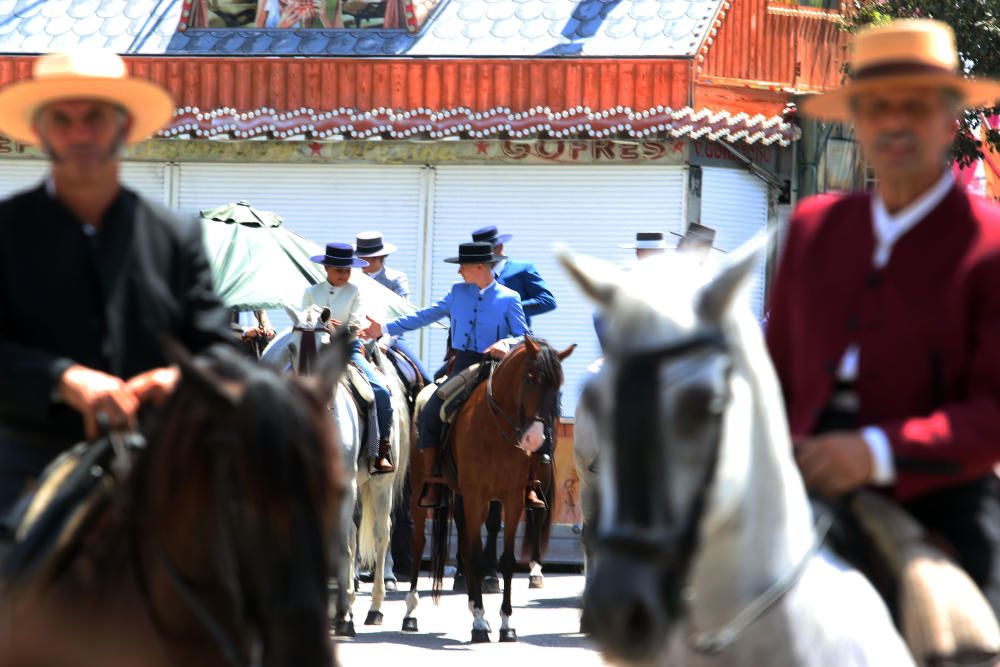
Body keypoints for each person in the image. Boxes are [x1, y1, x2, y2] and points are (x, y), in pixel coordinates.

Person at [766, 19, 1000, 616]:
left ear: (951, 119)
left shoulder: (989, 244)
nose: (894, 123)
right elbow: (775, 377)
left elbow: (992, 410)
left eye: (915, 107)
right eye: (877, 107)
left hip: (935, 495)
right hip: (797, 486)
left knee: (968, 639)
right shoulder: (814, 229)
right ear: (858, 121)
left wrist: (875, 452)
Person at [0, 51, 232, 512]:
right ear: (41, 132)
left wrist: (176, 378)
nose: (80, 132)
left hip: (161, 456)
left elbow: (219, 352)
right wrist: (63, 378)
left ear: (123, 127)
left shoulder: (175, 236)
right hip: (31, 458)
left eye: (95, 117)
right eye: (62, 120)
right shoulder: (6, 231)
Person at [361, 242, 538, 509]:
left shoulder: (509, 297)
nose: (459, 273)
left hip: (497, 365)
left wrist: (506, 344)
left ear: (480, 267)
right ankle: (433, 478)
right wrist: (383, 327)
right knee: (431, 410)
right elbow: (424, 315)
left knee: (535, 413)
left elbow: (525, 337)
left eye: (462, 267)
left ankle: (531, 482)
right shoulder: (457, 293)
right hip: (464, 363)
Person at [303, 243, 394, 474]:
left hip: (347, 350)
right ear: (326, 269)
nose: (344, 275)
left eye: (347, 271)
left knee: (380, 390)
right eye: (338, 270)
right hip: (315, 352)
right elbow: (303, 321)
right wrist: (320, 324)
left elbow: (356, 323)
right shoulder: (311, 292)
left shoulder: (356, 292)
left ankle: (381, 448)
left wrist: (339, 327)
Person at [354, 231, 432, 382]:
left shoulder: (396, 278)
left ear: (376, 257)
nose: (359, 262)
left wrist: (386, 340)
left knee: (424, 378)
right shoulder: (354, 278)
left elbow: (402, 312)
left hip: (390, 337)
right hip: (359, 336)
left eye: (362, 258)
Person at [471, 226, 556, 327]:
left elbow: (547, 301)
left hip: (515, 339)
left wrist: (508, 308)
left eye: (485, 250)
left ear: (499, 247)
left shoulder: (522, 269)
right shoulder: (475, 275)